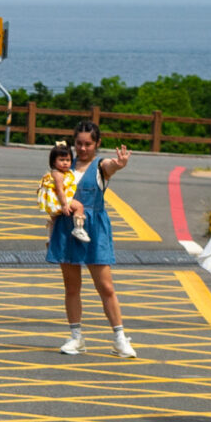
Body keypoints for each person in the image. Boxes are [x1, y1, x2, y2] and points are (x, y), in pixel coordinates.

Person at [53, 121, 135, 357]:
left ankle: (119, 338)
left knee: (106, 286)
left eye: (88, 144)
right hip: (66, 227)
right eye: (78, 143)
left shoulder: (100, 166)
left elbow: (111, 165)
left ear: (97, 144)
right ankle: (76, 337)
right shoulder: (64, 165)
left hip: (95, 230)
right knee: (71, 287)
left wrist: (119, 164)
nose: (83, 148)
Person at [36, 142, 85, 243]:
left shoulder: (57, 172)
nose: (65, 163)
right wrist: (64, 205)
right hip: (59, 201)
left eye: (68, 160)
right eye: (61, 160)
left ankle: (51, 239)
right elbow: (60, 190)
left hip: (52, 202)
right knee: (79, 207)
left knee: (55, 221)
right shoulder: (58, 175)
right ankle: (78, 228)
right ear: (54, 162)